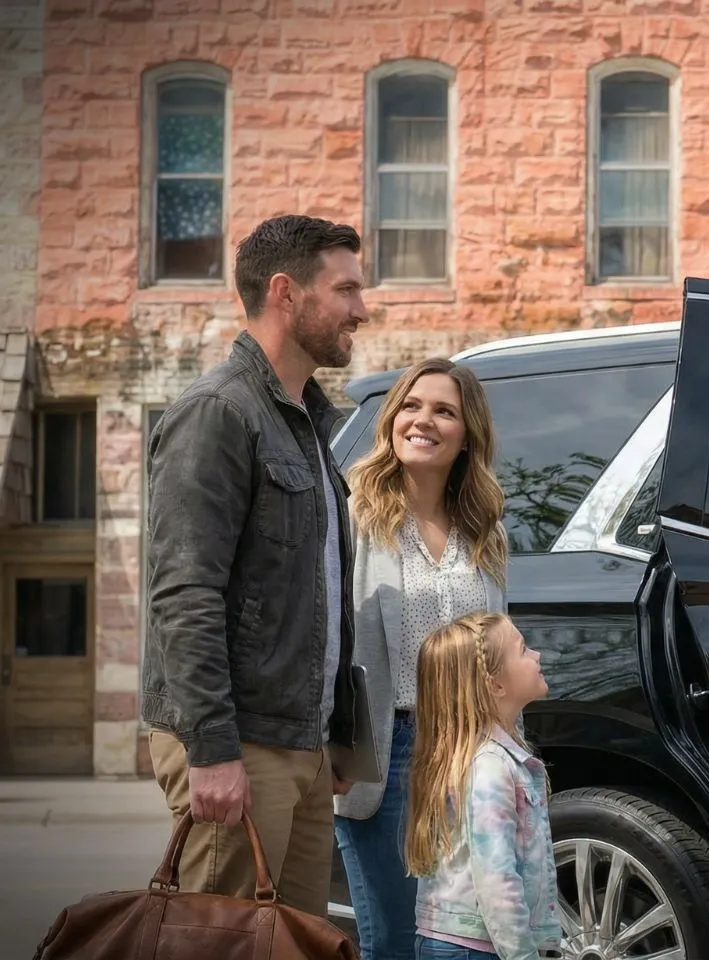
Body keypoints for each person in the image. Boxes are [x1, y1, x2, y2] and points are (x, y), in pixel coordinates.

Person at [144, 214, 370, 916]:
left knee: (293, 941)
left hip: (297, 744)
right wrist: (211, 749)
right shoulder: (218, 413)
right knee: (223, 939)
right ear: (286, 293)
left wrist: (329, 735)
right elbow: (185, 592)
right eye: (347, 290)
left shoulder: (309, 425)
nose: (362, 311)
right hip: (236, 741)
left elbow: (316, 595)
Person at [335, 358, 510, 959]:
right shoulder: (355, 513)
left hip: (473, 751)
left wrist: (513, 752)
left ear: (468, 433)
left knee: (467, 939)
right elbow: (329, 637)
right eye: (412, 405)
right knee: (393, 938)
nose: (423, 420)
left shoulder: (484, 527)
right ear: (391, 420)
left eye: (444, 411)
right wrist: (332, 746)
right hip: (392, 747)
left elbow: (500, 650)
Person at [403, 612, 560, 960]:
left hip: (462, 941)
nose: (537, 655)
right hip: (474, 949)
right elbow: (496, 880)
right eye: (523, 650)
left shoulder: (481, 758)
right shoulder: (490, 767)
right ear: (495, 686)